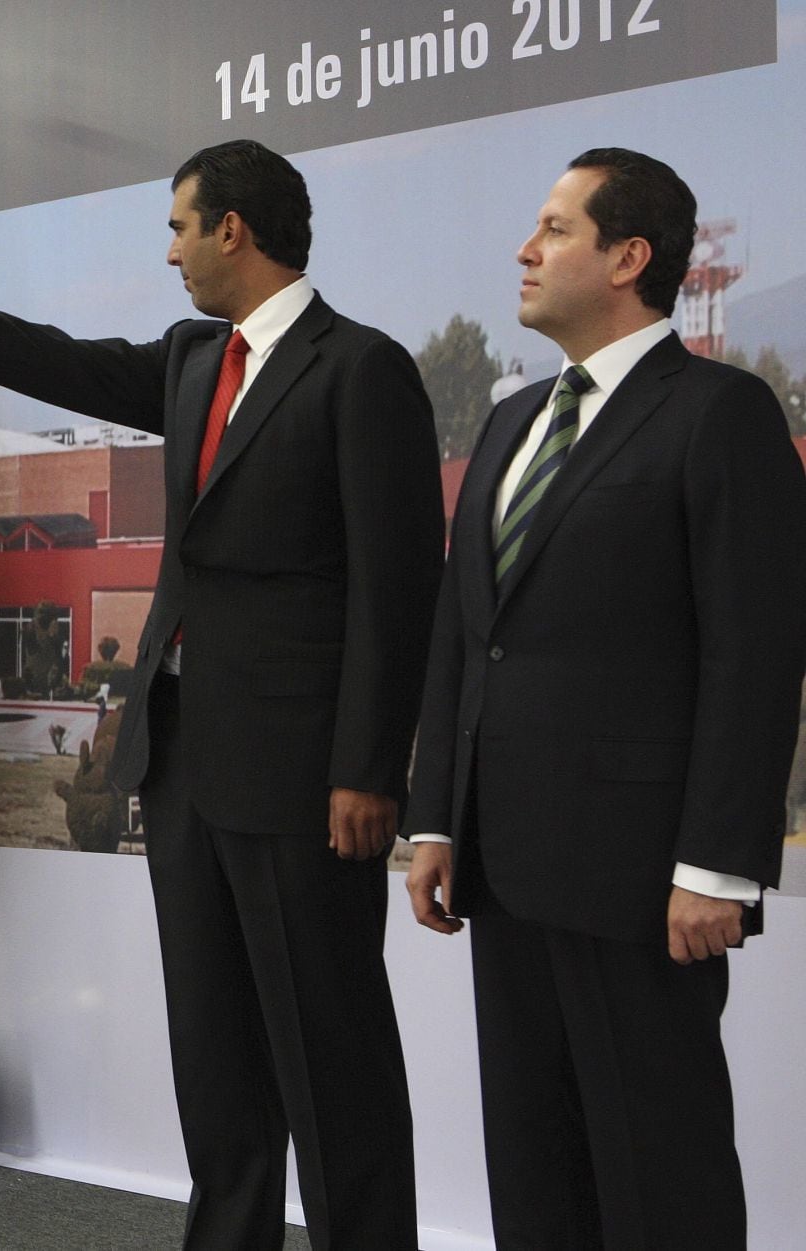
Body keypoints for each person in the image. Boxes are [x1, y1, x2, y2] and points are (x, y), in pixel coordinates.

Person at [0, 139, 443, 1250]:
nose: (170, 252)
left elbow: (398, 587)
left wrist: (366, 769)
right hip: (186, 760)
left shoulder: (360, 368)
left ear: (232, 229)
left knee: (329, 1056)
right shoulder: (198, 358)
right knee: (216, 1054)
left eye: (179, 227)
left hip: (304, 781)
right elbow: (68, 364)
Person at [405, 148, 806, 1249]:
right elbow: (464, 633)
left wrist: (719, 864)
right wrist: (437, 814)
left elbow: (755, 654)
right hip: (504, 867)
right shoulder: (508, 421)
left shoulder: (721, 414)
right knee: (534, 1172)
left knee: (657, 1174)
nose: (525, 251)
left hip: (644, 882)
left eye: (554, 229)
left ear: (629, 257)